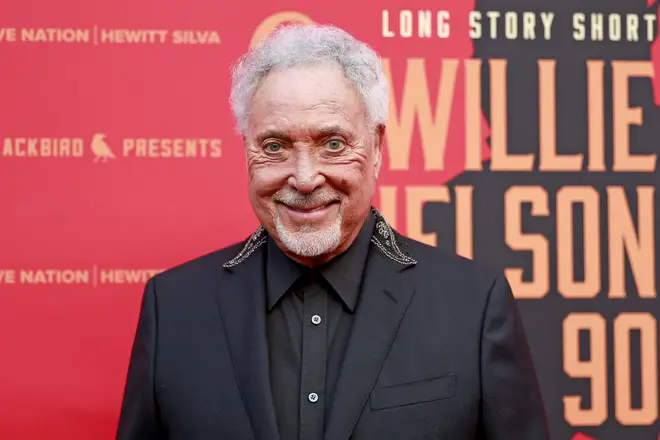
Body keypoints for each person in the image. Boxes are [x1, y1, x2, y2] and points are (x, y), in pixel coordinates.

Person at [116, 24, 549, 440]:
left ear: (377, 147)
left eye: (334, 144)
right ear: (246, 150)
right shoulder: (173, 309)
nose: (304, 178)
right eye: (274, 147)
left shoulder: (473, 305)